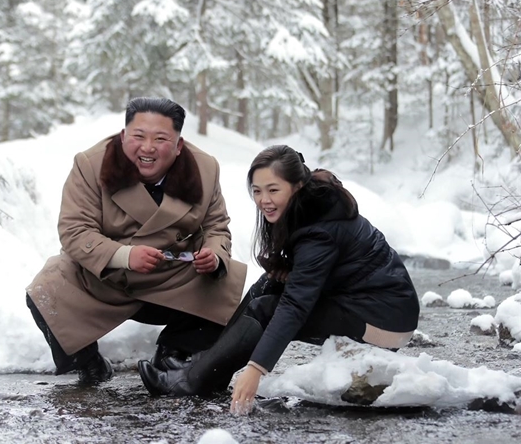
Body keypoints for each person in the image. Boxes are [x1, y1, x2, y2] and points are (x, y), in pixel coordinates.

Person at [138, 145, 420, 414]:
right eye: (257, 191)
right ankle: (202, 363)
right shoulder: (307, 207)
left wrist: (255, 369)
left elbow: (295, 307)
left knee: (268, 308)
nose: (264, 200)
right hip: (357, 301)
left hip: (384, 322)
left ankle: (194, 380)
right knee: (267, 284)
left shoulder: (319, 231)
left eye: (273, 190)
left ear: (297, 186)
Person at [26, 97, 247, 384]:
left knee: (227, 280)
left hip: (173, 278)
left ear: (179, 145)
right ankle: (87, 363)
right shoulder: (90, 164)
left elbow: (217, 225)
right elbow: (74, 230)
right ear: (123, 137)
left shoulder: (205, 168)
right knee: (46, 289)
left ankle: (174, 353)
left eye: (161, 138)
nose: (147, 148)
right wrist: (125, 256)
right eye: (138, 136)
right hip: (106, 278)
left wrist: (213, 254)